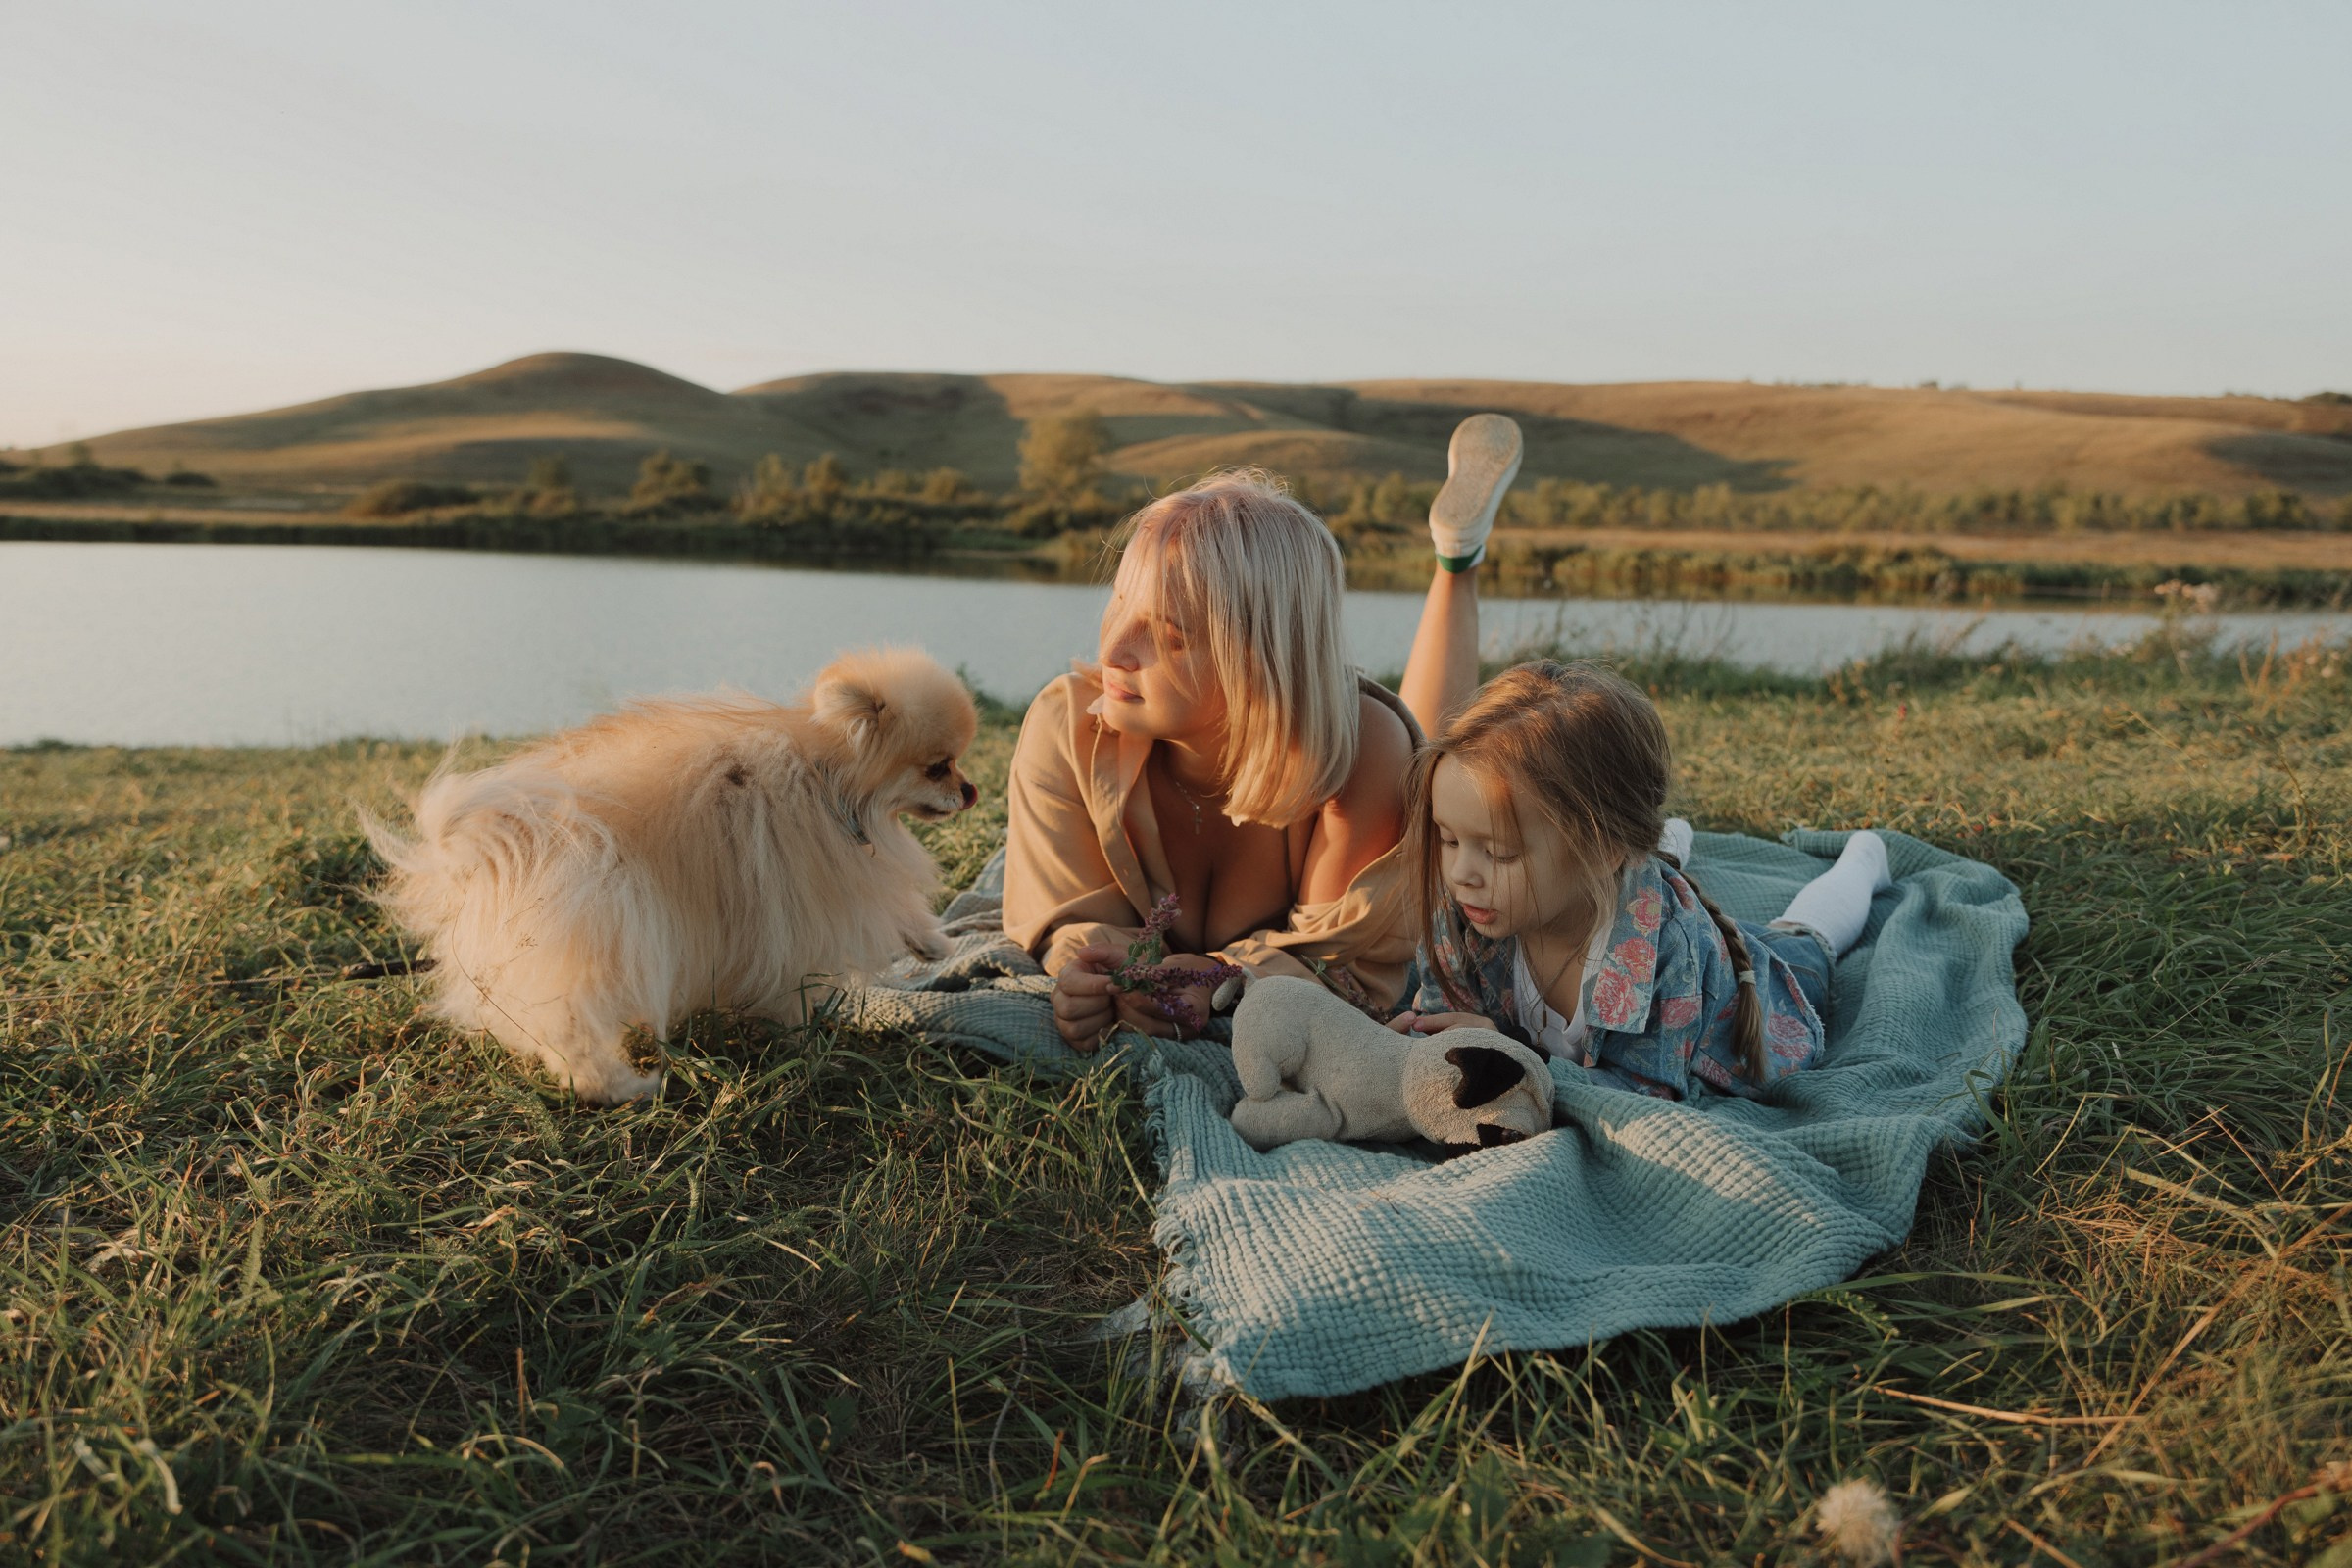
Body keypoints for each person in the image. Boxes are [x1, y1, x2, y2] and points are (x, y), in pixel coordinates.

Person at [1391, 659, 1893, 1099]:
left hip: (1752, 980)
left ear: (1602, 846)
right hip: (1613, 886)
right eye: (1449, 839)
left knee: (1803, 940)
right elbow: (1440, 1030)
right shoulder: (1463, 914)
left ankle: (1866, 857)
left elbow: (1644, 1091)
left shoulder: (1668, 955)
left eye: (1498, 853)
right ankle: (1668, 844)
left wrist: (1513, 1057)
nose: (1461, 874)